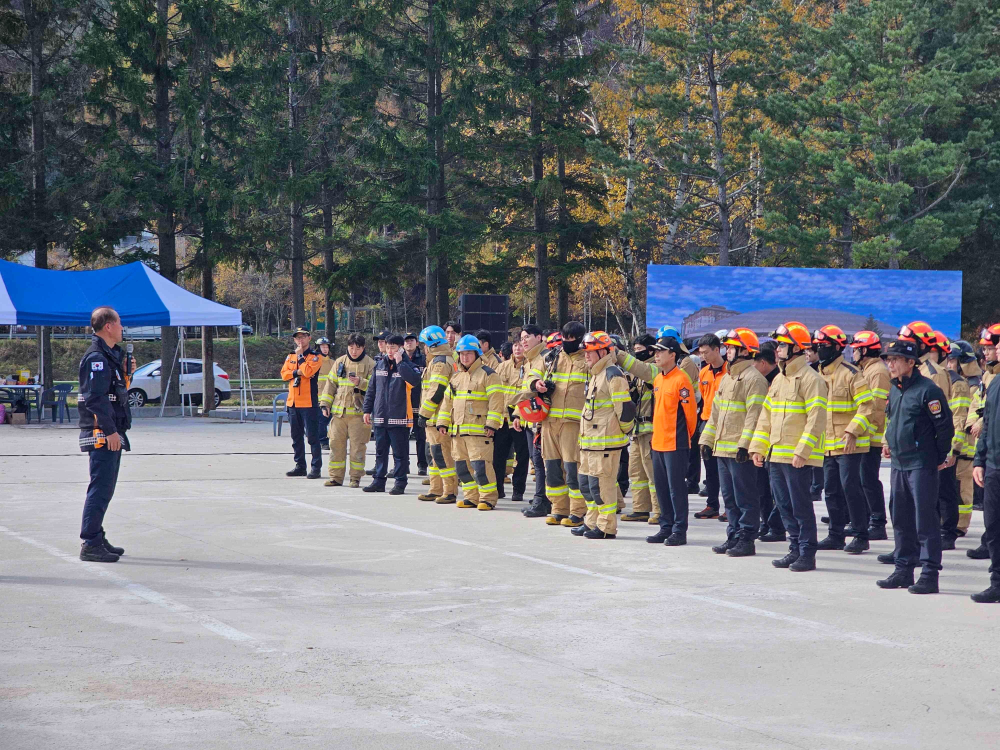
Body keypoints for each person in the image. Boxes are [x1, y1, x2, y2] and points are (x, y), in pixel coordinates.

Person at [877, 336, 953, 594]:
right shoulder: (895, 388)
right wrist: (889, 441)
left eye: (895, 360)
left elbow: (944, 427)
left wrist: (939, 457)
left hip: (921, 464)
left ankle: (929, 574)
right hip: (899, 463)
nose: (891, 364)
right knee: (901, 519)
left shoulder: (928, 390)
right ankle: (903, 570)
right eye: (889, 360)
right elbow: (893, 421)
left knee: (925, 520)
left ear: (911, 362)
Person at [749, 321, 828, 573]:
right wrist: (758, 447)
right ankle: (794, 548)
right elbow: (765, 417)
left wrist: (802, 451)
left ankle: (807, 553)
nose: (778, 349)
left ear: (796, 347)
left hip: (797, 458)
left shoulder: (811, 379)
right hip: (777, 456)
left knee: (800, 506)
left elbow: (816, 418)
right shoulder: (779, 381)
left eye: (783, 345)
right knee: (783, 504)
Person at [700, 328, 769, 557]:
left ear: (744, 351)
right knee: (729, 498)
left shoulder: (754, 379)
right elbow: (715, 414)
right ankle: (733, 536)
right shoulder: (728, 378)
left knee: (745, 497)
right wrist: (707, 441)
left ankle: (747, 539)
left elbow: (754, 415)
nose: (728, 351)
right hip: (723, 449)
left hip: (740, 452)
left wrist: (745, 446)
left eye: (731, 347)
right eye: (727, 347)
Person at [813, 325, 876, 555]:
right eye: (818, 346)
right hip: (827, 445)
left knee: (851, 488)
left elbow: (867, 405)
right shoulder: (817, 375)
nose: (820, 350)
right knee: (830, 490)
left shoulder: (851, 373)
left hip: (850, 444)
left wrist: (852, 431)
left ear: (838, 347)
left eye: (825, 346)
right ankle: (835, 535)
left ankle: (861, 535)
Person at [77, 306, 133, 562]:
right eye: (119, 323)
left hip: (111, 430)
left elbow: (115, 392)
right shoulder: (96, 358)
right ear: (108, 326)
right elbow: (96, 398)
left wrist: (125, 370)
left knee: (106, 488)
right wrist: (109, 431)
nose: (123, 327)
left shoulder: (109, 356)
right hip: (102, 433)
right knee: (100, 488)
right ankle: (90, 543)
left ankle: (97, 536)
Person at [524, 322, 590, 527]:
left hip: (574, 424)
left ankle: (578, 511)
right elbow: (531, 374)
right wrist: (537, 384)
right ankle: (558, 509)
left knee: (573, 469)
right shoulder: (552, 357)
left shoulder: (588, 360)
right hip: (549, 421)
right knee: (551, 468)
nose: (568, 342)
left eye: (573, 339)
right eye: (565, 338)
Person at [570, 331, 634, 539]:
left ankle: (606, 528)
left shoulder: (612, 374)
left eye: (591, 351)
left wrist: (622, 432)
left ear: (604, 351)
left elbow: (624, 409)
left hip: (605, 444)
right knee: (587, 485)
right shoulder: (597, 373)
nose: (586, 355)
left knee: (602, 488)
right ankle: (591, 522)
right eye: (586, 352)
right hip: (591, 443)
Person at [436, 334, 506, 509]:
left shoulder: (488, 375)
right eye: (461, 353)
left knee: (481, 467)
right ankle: (471, 497)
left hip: (479, 431)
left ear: (476, 353)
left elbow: (497, 401)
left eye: (468, 353)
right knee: (462, 468)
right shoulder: (457, 377)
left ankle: (488, 498)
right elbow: (447, 402)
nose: (464, 357)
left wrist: (492, 424)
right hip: (458, 431)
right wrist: (443, 422)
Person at [644, 335, 698, 546]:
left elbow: (690, 414)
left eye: (660, 351)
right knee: (661, 488)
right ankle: (665, 527)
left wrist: (684, 438)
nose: (656, 355)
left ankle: (678, 530)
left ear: (672, 355)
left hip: (676, 443)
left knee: (677, 489)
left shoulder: (681, 379)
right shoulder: (658, 379)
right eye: (655, 351)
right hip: (658, 442)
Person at [363, 334, 421, 494]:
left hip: (400, 418)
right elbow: (371, 389)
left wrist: (400, 362)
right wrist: (367, 410)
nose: (389, 351)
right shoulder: (379, 365)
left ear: (400, 348)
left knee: (400, 454)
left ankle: (400, 483)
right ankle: (378, 481)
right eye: (387, 347)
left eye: (393, 348)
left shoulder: (409, 365)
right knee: (380, 452)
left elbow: (415, 381)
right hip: (381, 417)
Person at [849, 331, 891, 540]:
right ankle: (865, 519)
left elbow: (876, 408)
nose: (853, 353)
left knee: (869, 480)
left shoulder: (878, 372)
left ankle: (877, 522)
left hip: (871, 437)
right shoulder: (867, 369)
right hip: (865, 435)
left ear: (865, 350)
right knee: (861, 479)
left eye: (856, 349)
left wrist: (868, 432)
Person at [319, 334, 374, 488]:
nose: (354, 351)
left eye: (358, 348)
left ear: (363, 348)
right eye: (351, 347)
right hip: (339, 414)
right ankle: (335, 477)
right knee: (336, 445)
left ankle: (355, 478)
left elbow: (376, 387)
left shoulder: (370, 364)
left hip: (359, 415)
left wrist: (361, 382)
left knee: (357, 448)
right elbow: (330, 384)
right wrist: (325, 404)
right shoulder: (340, 362)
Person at [619, 334, 661, 525]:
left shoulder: (656, 370)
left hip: (652, 430)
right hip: (637, 430)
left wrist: (618, 354)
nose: (636, 354)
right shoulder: (637, 375)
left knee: (653, 473)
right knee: (636, 472)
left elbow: (641, 369)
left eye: (639, 350)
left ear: (651, 351)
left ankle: (660, 510)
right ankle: (641, 508)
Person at [416, 325, 459, 504]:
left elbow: (437, 390)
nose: (423, 347)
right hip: (433, 420)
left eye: (424, 344)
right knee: (434, 455)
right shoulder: (437, 360)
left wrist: (424, 414)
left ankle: (449, 491)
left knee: (442, 455)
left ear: (431, 344)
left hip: (437, 418)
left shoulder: (440, 362)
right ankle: (436, 489)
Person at [967, 324, 1000, 559]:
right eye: (989, 347)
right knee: (992, 513)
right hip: (992, 457)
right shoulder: (991, 377)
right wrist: (976, 422)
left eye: (992, 347)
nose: (989, 352)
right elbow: (980, 406)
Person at [971, 348, 1000, 602]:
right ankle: (997, 582)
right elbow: (988, 424)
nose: (997, 349)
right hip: (994, 467)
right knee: (993, 526)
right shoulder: (995, 383)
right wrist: (979, 460)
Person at [513, 325, 550, 517]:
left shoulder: (546, 357)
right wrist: (519, 414)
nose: (524, 341)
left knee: (541, 461)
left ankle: (542, 499)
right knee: (535, 461)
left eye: (528, 337)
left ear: (539, 337)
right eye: (522, 338)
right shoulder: (528, 361)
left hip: (542, 420)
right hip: (530, 419)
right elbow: (525, 392)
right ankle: (541, 496)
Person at [753, 342, 786, 542]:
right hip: (765, 442)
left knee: (777, 492)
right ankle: (766, 523)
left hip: (779, 443)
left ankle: (777, 527)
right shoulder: (765, 379)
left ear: (763, 363)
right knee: (762, 489)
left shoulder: (778, 380)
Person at [281, 327, 324, 479]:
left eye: (303, 337)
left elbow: (308, 372)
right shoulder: (290, 355)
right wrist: (296, 372)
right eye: (297, 338)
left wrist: (300, 359)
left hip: (308, 403)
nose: (300, 340)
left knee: (312, 437)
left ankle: (315, 467)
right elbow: (284, 374)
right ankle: (300, 465)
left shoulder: (315, 356)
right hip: (293, 403)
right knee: (296, 437)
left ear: (309, 338)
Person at [948, 340, 980, 536]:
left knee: (963, 489)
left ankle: (960, 525)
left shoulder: (973, 386)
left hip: (966, 447)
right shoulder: (952, 382)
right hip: (953, 444)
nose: (948, 364)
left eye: (952, 360)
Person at [693, 333, 726, 519]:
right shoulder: (703, 372)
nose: (703, 356)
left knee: (728, 469)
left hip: (726, 423)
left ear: (717, 349)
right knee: (710, 467)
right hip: (707, 422)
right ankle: (712, 505)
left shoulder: (730, 371)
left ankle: (731, 508)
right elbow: (704, 398)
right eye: (701, 353)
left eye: (706, 352)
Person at [495, 338, 530, 502]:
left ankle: (518, 490)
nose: (518, 349)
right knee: (498, 455)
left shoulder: (530, 367)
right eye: (515, 345)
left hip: (520, 415)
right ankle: (498, 489)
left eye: (521, 346)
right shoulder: (502, 367)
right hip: (502, 416)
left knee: (522, 456)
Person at [403, 332, 428, 477]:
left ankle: (422, 465)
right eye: (406, 341)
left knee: (421, 437)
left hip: (419, 402)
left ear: (417, 343)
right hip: (404, 403)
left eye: (411, 340)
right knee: (402, 437)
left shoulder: (424, 359)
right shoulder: (401, 359)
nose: (409, 343)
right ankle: (403, 465)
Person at [316, 337, 333, 449]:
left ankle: (324, 440)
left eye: (326, 347)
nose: (325, 349)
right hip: (317, 397)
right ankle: (322, 441)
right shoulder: (315, 362)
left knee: (326, 420)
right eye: (322, 347)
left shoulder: (333, 362)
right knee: (321, 421)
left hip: (331, 397)